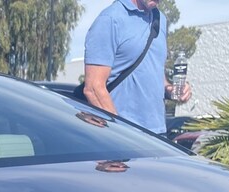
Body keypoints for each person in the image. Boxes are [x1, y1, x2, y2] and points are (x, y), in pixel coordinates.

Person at [82, 0, 191, 135]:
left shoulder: (160, 19)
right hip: (123, 137)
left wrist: (170, 90)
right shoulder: (110, 19)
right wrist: (122, 133)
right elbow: (93, 88)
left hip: (158, 134)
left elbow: (152, 67)